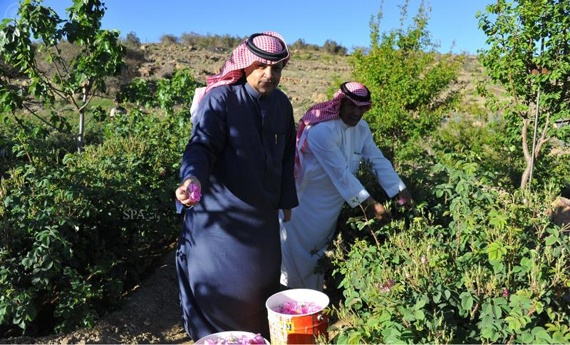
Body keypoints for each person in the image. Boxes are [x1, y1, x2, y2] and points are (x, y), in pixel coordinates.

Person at [174, 31, 299, 341]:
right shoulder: (222, 99)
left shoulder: (282, 105)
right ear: (245, 66)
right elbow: (201, 146)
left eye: (277, 68)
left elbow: (286, 157)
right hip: (220, 221)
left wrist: (285, 200)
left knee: (261, 293)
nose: (269, 75)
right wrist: (191, 179)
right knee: (222, 296)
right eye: (261, 67)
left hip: (262, 222)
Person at [280, 81, 413, 291]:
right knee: (298, 259)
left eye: (362, 108)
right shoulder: (322, 131)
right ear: (339, 104)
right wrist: (371, 204)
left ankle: (315, 304)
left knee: (317, 257)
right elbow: (341, 174)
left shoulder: (362, 129)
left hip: (331, 208)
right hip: (304, 206)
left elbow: (376, 159)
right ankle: (294, 305)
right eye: (352, 106)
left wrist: (400, 190)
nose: (356, 112)